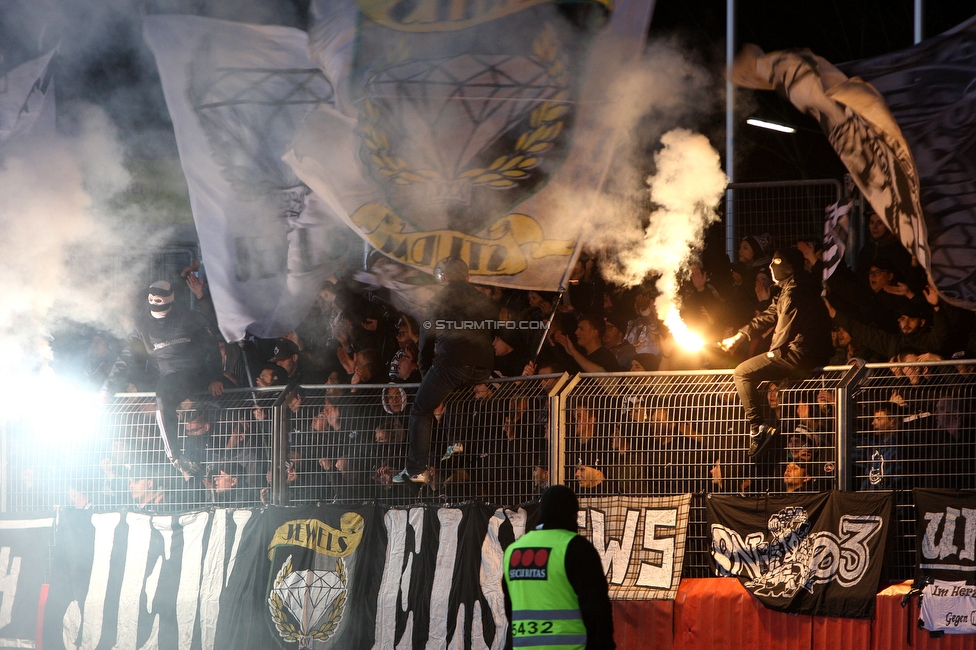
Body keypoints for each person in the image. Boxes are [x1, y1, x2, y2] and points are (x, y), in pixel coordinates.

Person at [719, 249, 832, 457]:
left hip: (796, 354)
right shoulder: (787, 290)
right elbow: (769, 314)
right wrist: (740, 336)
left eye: (777, 261)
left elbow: (784, 331)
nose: (771, 266)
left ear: (789, 266)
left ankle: (757, 429)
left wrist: (772, 356)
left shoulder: (793, 292)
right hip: (803, 353)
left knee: (741, 372)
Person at [104, 280, 224, 476]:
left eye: (160, 300)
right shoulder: (142, 325)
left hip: (193, 374)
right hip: (165, 378)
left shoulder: (188, 318)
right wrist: (107, 387)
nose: (155, 305)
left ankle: (186, 458)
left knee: (170, 395)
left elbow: (211, 346)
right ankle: (177, 457)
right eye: (152, 300)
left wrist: (216, 377)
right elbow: (126, 357)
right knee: (162, 393)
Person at [394, 257, 496, 484]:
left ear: (445, 278)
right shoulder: (482, 298)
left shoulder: (439, 299)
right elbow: (493, 329)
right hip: (483, 367)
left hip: (452, 364)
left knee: (421, 409)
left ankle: (416, 470)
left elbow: (426, 341)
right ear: (468, 277)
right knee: (456, 398)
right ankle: (455, 449)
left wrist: (424, 374)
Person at [502, 485, 615, 650]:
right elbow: (597, 610)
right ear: (573, 514)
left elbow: (510, 609)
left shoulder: (514, 551)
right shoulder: (576, 548)